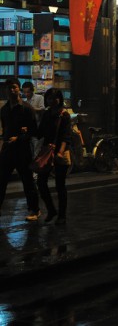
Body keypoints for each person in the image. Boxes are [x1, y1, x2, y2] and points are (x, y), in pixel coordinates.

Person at [0, 77, 41, 221]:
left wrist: (19, 138)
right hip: (7, 150)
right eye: (9, 88)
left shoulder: (26, 108)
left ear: (19, 89)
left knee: (27, 181)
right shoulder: (4, 109)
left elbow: (34, 131)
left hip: (22, 150)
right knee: (1, 180)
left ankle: (34, 210)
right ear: (5, 90)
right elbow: (5, 129)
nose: (12, 90)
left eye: (15, 87)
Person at [36, 88, 72, 225]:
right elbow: (40, 133)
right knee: (41, 182)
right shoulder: (46, 114)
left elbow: (65, 137)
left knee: (60, 184)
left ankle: (62, 215)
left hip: (60, 153)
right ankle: (51, 209)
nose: (52, 100)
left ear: (60, 99)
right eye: (50, 98)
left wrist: (60, 152)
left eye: (55, 97)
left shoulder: (64, 115)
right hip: (47, 152)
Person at [22, 81, 45, 159]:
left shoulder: (39, 98)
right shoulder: (25, 101)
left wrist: (31, 109)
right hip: (30, 129)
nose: (26, 94)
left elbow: (42, 109)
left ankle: (37, 170)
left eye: (28, 92)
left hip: (38, 128)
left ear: (32, 90)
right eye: (24, 92)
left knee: (37, 151)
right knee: (31, 151)